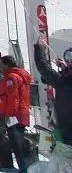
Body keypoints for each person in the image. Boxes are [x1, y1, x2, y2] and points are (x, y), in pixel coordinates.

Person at [0, 55, 36, 170]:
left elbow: (13, 98)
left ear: (6, 64)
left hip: (15, 115)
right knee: (18, 144)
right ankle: (25, 168)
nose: (0, 67)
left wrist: (9, 115)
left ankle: (24, 169)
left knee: (17, 145)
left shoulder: (11, 78)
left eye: (2, 64)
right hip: (21, 114)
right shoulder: (19, 76)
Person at [36, 41, 72, 172]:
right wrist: (64, 70)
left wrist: (40, 48)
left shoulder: (62, 81)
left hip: (67, 137)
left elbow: (43, 68)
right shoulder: (63, 80)